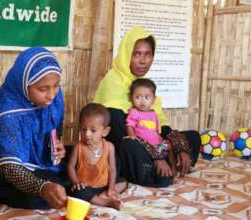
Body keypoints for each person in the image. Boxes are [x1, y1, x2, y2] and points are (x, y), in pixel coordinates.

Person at [93, 26, 200, 187]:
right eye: (137, 54)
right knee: (127, 141)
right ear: (126, 54)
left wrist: (179, 146)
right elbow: (121, 133)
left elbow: (161, 126)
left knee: (192, 136)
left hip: (153, 145)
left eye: (148, 54)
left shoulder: (144, 87)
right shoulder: (113, 81)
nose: (143, 60)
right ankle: (156, 168)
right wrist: (156, 155)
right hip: (126, 149)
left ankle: (161, 166)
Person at [0, 47, 69, 209]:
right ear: (23, 83)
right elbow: (11, 169)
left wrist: (58, 147)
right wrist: (42, 187)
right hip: (6, 170)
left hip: (37, 162)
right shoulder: (5, 112)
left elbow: (53, 133)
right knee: (37, 198)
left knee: (76, 169)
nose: (52, 95)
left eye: (56, 86)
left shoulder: (53, 99)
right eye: (43, 89)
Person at [68, 103, 127, 210]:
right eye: (83, 129)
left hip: (104, 185)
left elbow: (113, 170)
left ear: (105, 131)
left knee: (123, 182)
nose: (87, 134)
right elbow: (70, 167)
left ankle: (104, 194)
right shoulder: (78, 147)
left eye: (93, 130)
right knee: (76, 191)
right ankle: (105, 202)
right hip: (86, 187)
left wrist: (111, 188)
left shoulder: (109, 147)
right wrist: (76, 182)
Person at [126, 78, 174, 178]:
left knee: (169, 145)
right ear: (131, 98)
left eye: (147, 97)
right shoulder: (134, 112)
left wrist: (160, 139)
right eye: (138, 97)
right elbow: (129, 125)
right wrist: (132, 136)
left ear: (153, 99)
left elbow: (155, 130)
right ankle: (153, 165)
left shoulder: (154, 114)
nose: (142, 101)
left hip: (157, 146)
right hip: (144, 146)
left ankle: (173, 166)